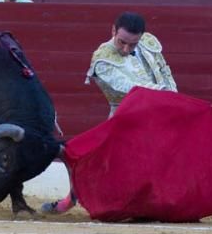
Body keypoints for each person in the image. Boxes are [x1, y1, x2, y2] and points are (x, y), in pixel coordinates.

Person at [42, 11, 176, 214]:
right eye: (121, 42)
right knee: (103, 168)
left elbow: (164, 69)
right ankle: (70, 200)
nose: (126, 49)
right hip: (126, 120)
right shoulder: (102, 59)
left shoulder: (148, 42)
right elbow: (132, 87)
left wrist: (174, 96)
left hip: (161, 113)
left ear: (141, 36)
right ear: (113, 30)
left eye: (132, 44)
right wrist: (167, 95)